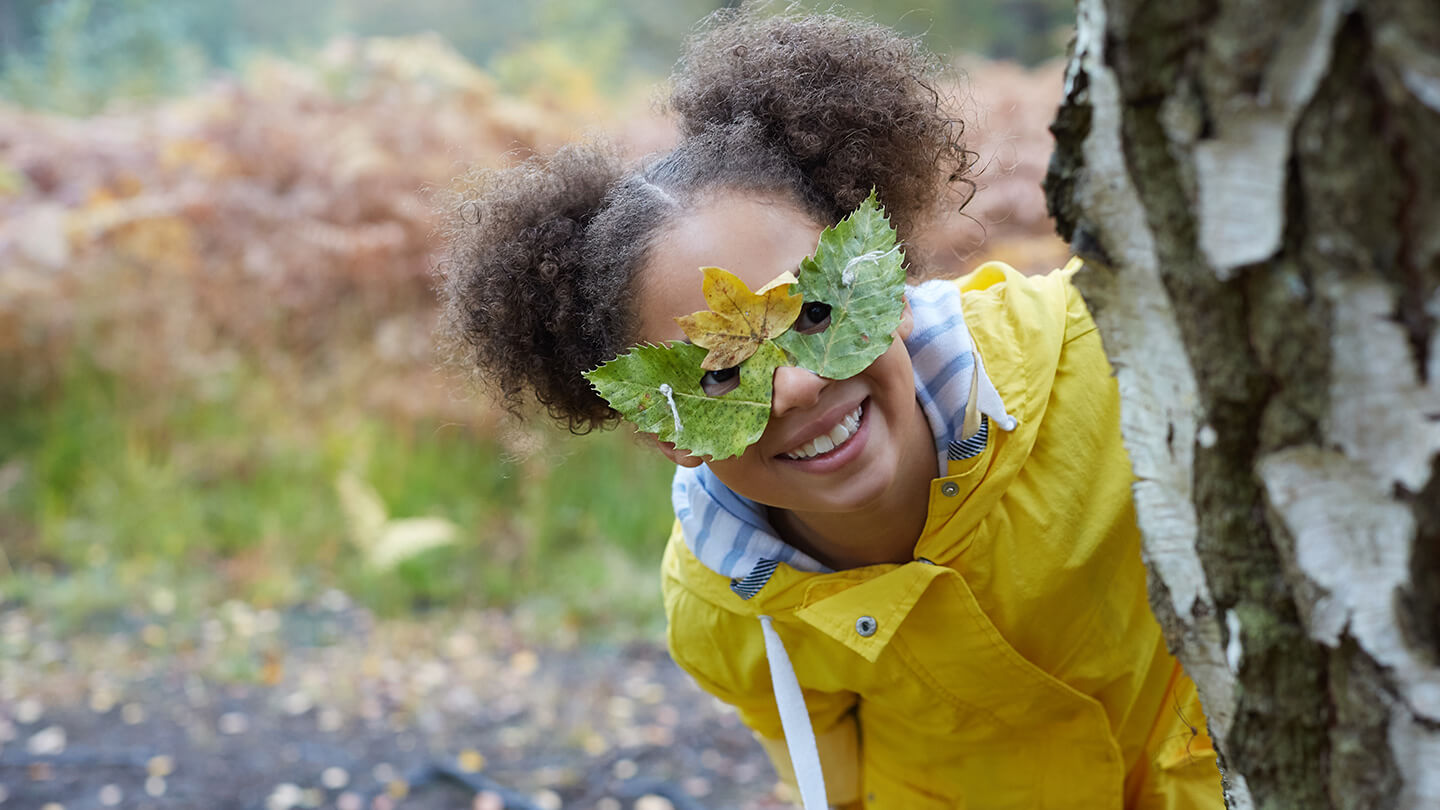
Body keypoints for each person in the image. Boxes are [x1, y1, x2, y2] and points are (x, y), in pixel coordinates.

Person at [438, 7, 1226, 809]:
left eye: (816, 312)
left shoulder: (1104, 356)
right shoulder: (726, 610)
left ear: (893, 276)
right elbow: (832, 785)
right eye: (719, 375)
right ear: (657, 428)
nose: (801, 388)